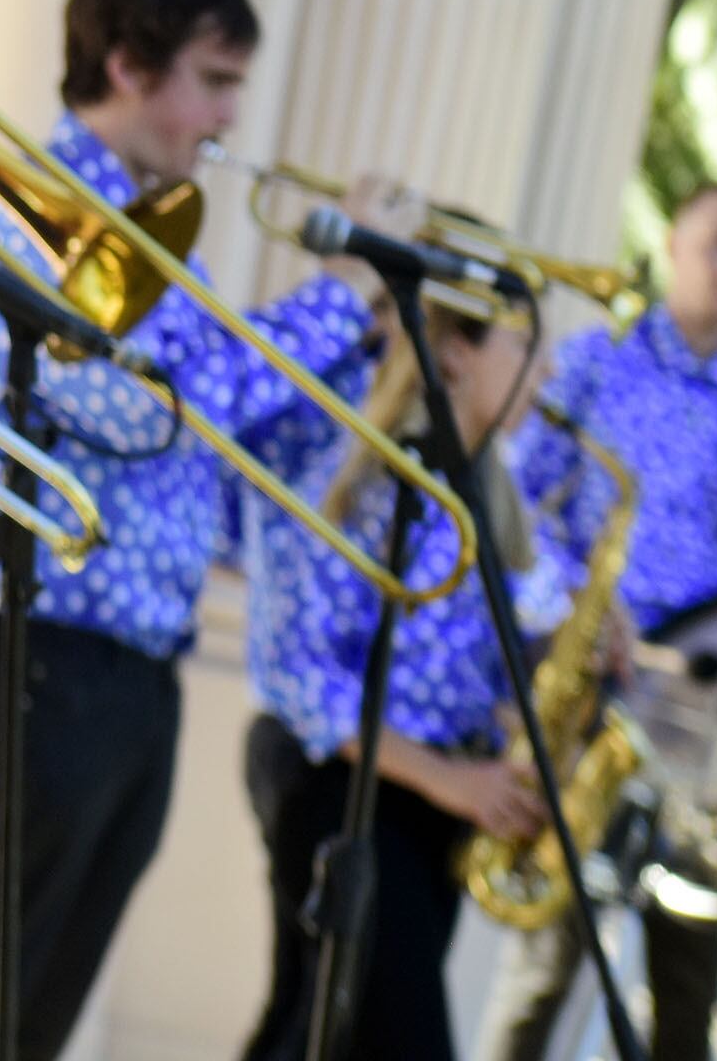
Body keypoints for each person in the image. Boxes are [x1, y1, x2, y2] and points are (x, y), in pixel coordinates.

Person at [0, 0, 411, 1061]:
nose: (227, 119)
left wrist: (373, 334)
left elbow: (217, 452)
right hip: (41, 647)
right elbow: (158, 402)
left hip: (132, 663)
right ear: (129, 61)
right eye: (214, 80)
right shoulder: (46, 205)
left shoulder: (157, 232)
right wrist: (338, 293)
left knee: (38, 1005)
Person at [483, 182, 717, 1061]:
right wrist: (579, 613)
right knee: (551, 949)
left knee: (687, 963)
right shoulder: (597, 359)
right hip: (589, 679)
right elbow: (520, 502)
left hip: (696, 704)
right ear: (675, 243)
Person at [240, 281, 564, 1060]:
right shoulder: (370, 480)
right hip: (343, 787)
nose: (546, 372)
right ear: (455, 353)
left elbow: (503, 641)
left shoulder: (493, 486)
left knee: (312, 1034)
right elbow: (303, 675)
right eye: (524, 345)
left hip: (429, 803)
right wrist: (451, 781)